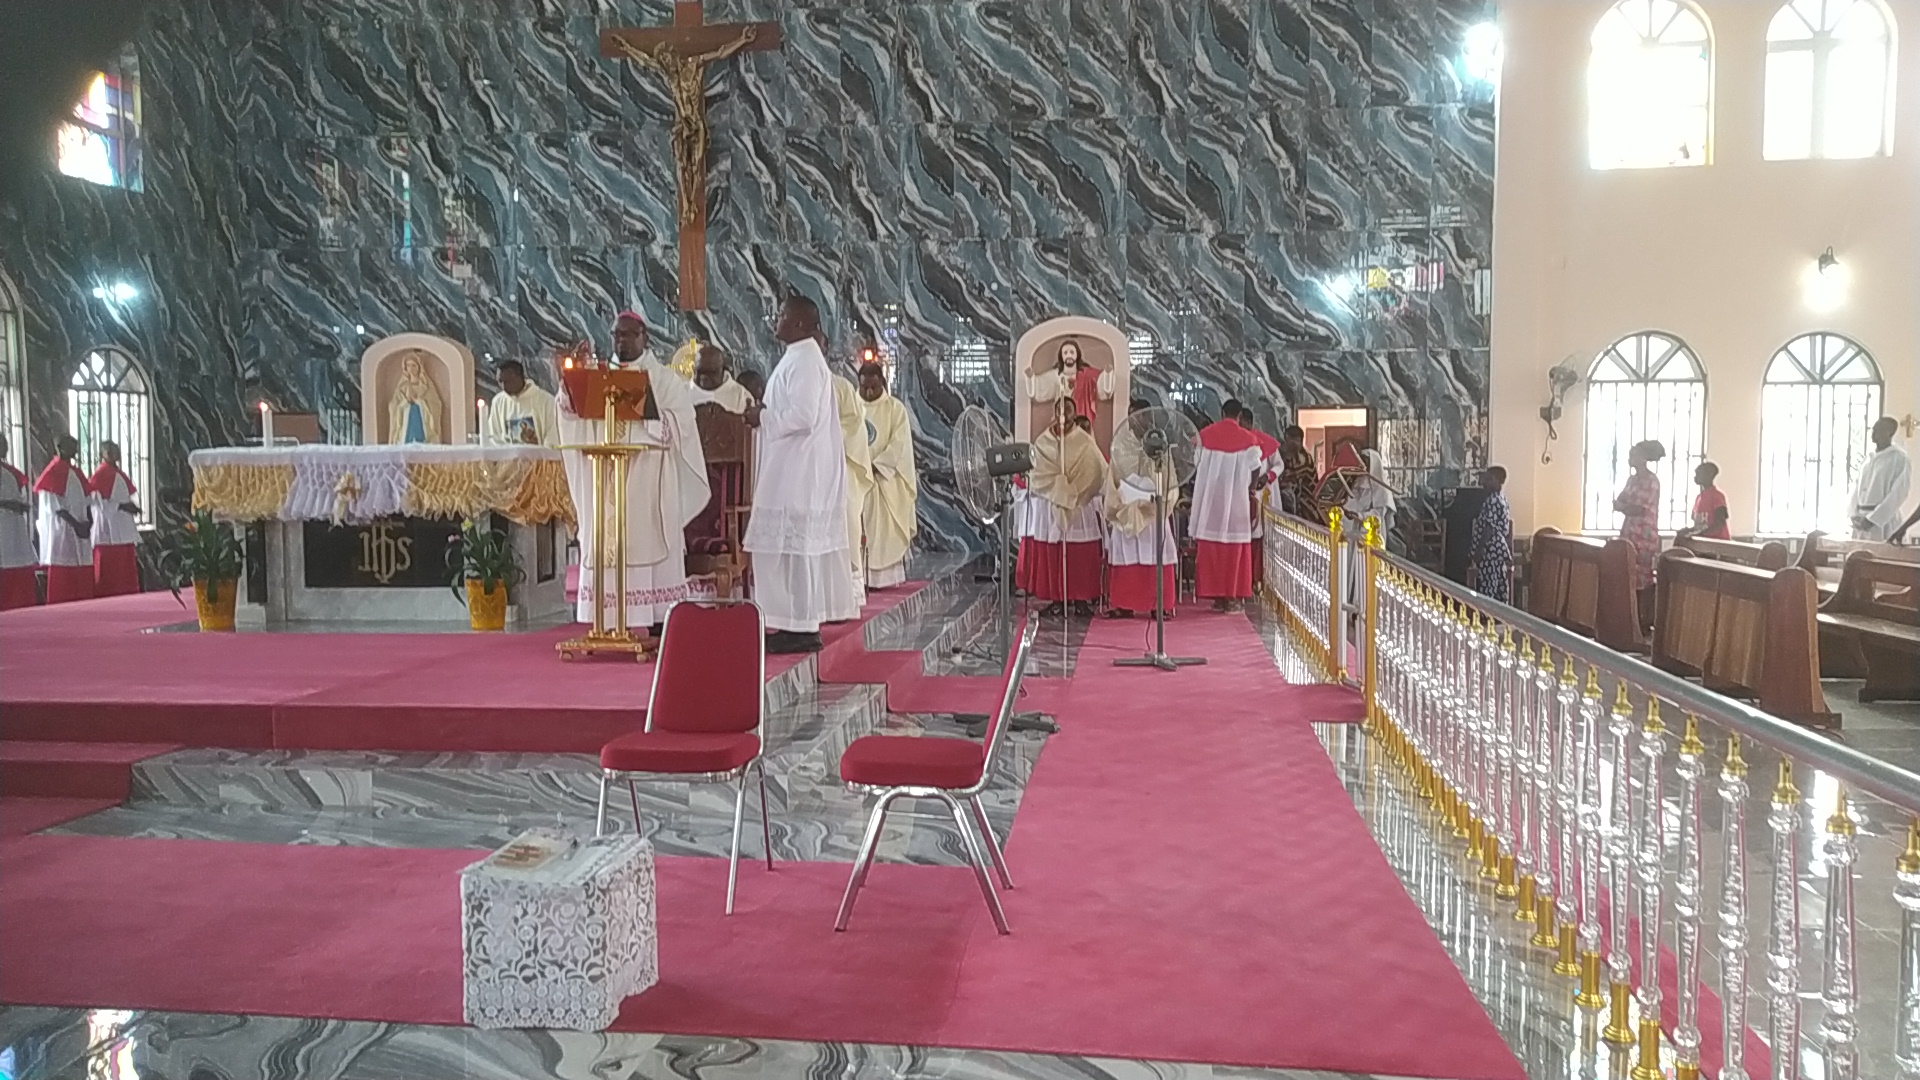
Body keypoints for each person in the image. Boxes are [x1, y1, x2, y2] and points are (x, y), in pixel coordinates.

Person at [557, 312, 710, 632]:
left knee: (646, 535)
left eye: (628, 334)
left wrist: (645, 416)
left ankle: (656, 618)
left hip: (647, 479)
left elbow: (681, 425)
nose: (621, 341)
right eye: (616, 335)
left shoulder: (664, 380)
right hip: (605, 476)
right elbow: (572, 417)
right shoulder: (597, 377)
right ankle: (608, 620)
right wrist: (570, 389)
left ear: (645, 338)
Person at [743, 295, 853, 652]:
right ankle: (791, 622)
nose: (776, 319)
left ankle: (802, 627)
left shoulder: (805, 360)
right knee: (784, 552)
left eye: (783, 315)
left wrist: (761, 416)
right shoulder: (799, 356)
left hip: (797, 472)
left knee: (794, 551)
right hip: (791, 468)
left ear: (801, 324)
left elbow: (804, 417)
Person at [1026, 400, 1107, 616]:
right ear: (1055, 412)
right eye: (1060, 410)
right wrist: (1057, 485)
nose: (1064, 414)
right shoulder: (1043, 441)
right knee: (1054, 554)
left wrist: (1074, 487)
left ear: (1075, 413)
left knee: (1079, 555)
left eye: (1068, 410)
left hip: (1078, 504)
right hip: (1052, 503)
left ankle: (1081, 599)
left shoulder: (1084, 441)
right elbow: (1036, 471)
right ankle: (1057, 599)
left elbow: (1097, 469)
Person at [1192, 404, 1268, 612]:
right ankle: (1232, 597)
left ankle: (1217, 597)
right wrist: (1250, 489)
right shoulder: (1248, 440)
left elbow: (1195, 462)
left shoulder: (1206, 436)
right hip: (1236, 501)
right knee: (1235, 551)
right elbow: (1256, 467)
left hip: (1211, 501)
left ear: (1222, 413)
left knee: (1213, 548)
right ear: (1240, 415)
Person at [858, 361, 918, 588]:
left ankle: (884, 579)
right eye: (864, 387)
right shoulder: (851, 407)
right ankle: (859, 579)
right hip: (857, 480)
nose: (869, 393)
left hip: (885, 482)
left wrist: (876, 466)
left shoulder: (895, 409)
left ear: (882, 383)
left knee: (885, 530)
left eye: (873, 387)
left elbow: (899, 444)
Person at [1103, 462, 1177, 619]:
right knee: (1126, 555)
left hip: (1153, 511)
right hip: (1126, 509)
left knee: (1156, 554)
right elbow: (1112, 480)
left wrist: (1162, 501)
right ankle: (1124, 604)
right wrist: (1117, 504)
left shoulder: (1161, 453)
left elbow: (1170, 483)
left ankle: (1160, 605)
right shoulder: (1121, 450)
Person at [35, 435, 93, 604]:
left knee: (81, 569)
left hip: (81, 528)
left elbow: (87, 500)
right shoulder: (53, 472)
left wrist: (89, 522)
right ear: (60, 448)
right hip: (63, 530)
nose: (75, 448)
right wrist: (76, 525)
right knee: (64, 571)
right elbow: (56, 508)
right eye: (71, 445)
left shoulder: (75, 472)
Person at [1613, 439, 1664, 620]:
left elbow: (1639, 509)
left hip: (1644, 536)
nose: (1629, 458)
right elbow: (1620, 500)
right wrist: (1624, 506)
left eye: (1633, 455)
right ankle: (1630, 618)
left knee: (1643, 578)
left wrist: (1623, 507)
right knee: (1629, 575)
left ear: (1643, 458)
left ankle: (1643, 619)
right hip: (1629, 533)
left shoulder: (1651, 481)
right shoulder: (1632, 480)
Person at [87, 440, 141, 596]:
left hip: (123, 527)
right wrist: (122, 506)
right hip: (108, 529)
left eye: (115, 451)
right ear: (102, 455)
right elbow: (98, 503)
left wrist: (131, 506)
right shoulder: (100, 475)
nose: (113, 455)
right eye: (109, 452)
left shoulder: (119, 474)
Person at [1028, 338, 1113, 431]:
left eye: (1072, 352)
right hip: (1062, 419)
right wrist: (1031, 378)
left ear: (1077, 355)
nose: (1069, 355)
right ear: (1061, 356)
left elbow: (1100, 383)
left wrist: (1107, 374)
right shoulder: (1055, 376)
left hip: (1081, 419)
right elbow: (1040, 386)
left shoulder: (1087, 375)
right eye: (1065, 353)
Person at [1849, 416, 1911, 541]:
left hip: (1883, 523)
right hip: (1861, 522)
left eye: (1878, 429)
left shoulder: (1899, 458)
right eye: (1873, 429)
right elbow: (1857, 487)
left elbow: (1899, 493)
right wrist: (1853, 513)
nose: (1873, 432)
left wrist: (1873, 519)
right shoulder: (1868, 459)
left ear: (1889, 433)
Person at [0, 434, 37, 609]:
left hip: (14, 527)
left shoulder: (9, 472)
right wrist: (9, 504)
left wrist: (19, 505)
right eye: (2, 444)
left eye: (5, 443)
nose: (5, 447)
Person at [486, 360, 559, 446]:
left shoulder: (546, 401)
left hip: (540, 454)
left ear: (520, 377)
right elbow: (494, 436)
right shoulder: (498, 402)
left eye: (508, 381)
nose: (503, 387)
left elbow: (552, 435)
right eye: (500, 381)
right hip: (508, 454)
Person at [1468, 466, 1514, 602]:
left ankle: (1486, 612)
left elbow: (1489, 528)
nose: (1484, 482)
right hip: (1498, 550)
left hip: (1489, 550)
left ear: (1499, 481)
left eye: (1489, 479)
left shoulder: (1492, 501)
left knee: (1488, 587)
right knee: (1499, 585)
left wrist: (1480, 550)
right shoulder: (1502, 499)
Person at [387, 352, 444, 444]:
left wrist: (420, 402)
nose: (411, 368)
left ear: (419, 367)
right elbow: (393, 405)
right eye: (408, 365)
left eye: (413, 365)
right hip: (407, 420)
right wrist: (405, 402)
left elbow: (436, 403)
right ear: (405, 368)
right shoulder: (402, 386)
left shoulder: (426, 385)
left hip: (421, 419)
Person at [1344, 448, 1397, 542]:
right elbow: (1352, 500)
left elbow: (1379, 513)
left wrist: (1361, 516)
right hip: (1355, 526)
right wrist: (1349, 510)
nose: (1363, 464)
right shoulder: (1358, 481)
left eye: (1366, 461)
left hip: (1372, 529)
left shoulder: (1381, 486)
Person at [688, 344, 755, 414]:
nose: (704, 377)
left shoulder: (741, 396)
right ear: (693, 369)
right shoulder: (683, 392)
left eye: (711, 372)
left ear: (723, 370)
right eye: (700, 371)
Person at [1676, 461, 1729, 542]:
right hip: (1704, 541)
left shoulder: (1717, 496)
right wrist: (1689, 531)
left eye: (1698, 474)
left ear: (1708, 475)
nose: (1695, 477)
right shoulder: (1699, 498)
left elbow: (1719, 522)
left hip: (1717, 542)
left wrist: (1699, 534)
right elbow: (1700, 526)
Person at [1275, 424, 1318, 516]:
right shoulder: (1276, 455)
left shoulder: (1305, 459)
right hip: (1278, 501)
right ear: (1286, 439)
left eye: (1297, 441)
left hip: (1303, 505)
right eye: (1291, 442)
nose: (1294, 446)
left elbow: (1311, 483)